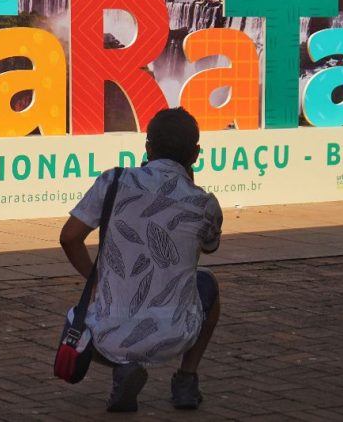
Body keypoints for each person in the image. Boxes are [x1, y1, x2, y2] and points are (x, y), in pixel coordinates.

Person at [59, 107, 222, 413]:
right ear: (196, 154)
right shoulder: (204, 202)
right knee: (207, 283)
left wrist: (92, 279)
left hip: (107, 335)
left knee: (78, 316)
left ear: (147, 147)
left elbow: (69, 237)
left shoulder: (114, 181)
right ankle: (186, 379)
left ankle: (122, 368)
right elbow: (209, 247)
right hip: (175, 335)